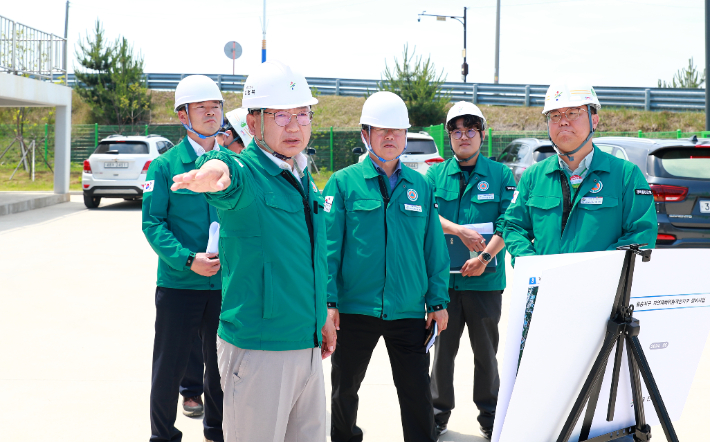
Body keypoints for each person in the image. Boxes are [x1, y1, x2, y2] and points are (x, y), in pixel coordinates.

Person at [170, 60, 337, 442]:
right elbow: (225, 170)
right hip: (260, 351)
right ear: (253, 121)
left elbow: (312, 256)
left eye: (302, 114)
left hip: (307, 345)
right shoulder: (246, 172)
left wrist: (323, 312)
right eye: (280, 115)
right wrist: (213, 170)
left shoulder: (299, 174)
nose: (294, 126)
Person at [324, 91, 450, 442]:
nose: (391, 137)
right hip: (355, 309)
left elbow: (433, 250)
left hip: (408, 310)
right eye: (382, 130)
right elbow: (330, 250)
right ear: (366, 134)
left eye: (398, 130)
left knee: (416, 392)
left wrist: (438, 302)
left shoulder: (421, 186)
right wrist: (330, 302)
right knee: (344, 389)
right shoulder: (344, 183)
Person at [425, 102, 516, 440]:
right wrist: (459, 230)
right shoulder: (435, 175)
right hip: (444, 284)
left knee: (486, 355)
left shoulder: (500, 175)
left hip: (485, 281)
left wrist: (485, 259)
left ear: (482, 134)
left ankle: (491, 417)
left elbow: (509, 222)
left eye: (470, 130)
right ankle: (436, 414)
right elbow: (424, 216)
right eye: (456, 131)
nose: (463, 137)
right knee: (442, 354)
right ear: (449, 136)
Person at [142, 74, 224, 442]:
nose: (211, 113)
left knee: (222, 369)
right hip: (180, 283)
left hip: (225, 283)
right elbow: (153, 224)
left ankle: (217, 432)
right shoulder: (164, 166)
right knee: (169, 368)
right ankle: (163, 436)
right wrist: (188, 259)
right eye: (202, 107)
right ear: (183, 115)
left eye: (216, 106)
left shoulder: (232, 165)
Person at [503, 82, 658, 261]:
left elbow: (641, 234)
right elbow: (514, 227)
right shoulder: (533, 177)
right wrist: (531, 265)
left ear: (594, 120)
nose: (563, 121)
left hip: (602, 286)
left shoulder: (626, 175)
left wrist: (591, 272)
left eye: (573, 113)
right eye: (554, 115)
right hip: (545, 286)